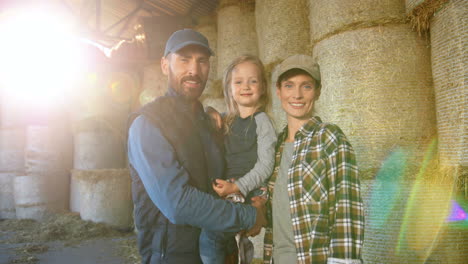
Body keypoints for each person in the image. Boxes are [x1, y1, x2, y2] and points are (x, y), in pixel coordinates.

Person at [127, 29, 266, 264]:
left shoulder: (208, 122)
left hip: (217, 251)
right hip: (172, 256)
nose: (194, 70)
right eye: (184, 59)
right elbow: (178, 204)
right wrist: (248, 215)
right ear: (164, 65)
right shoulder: (147, 125)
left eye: (202, 61)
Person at [263, 55, 365, 264]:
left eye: (306, 86)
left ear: (318, 91)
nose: (297, 95)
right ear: (278, 91)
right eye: (289, 86)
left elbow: (347, 208)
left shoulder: (329, 137)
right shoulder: (276, 147)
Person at [200, 55, 277, 264]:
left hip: (249, 189)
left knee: (210, 236)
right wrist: (209, 112)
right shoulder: (227, 119)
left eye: (253, 81)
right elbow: (206, 115)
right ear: (229, 88)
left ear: (262, 87)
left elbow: (266, 164)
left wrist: (238, 187)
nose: (246, 86)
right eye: (239, 81)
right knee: (223, 238)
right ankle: (240, 252)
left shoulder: (262, 122)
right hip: (229, 188)